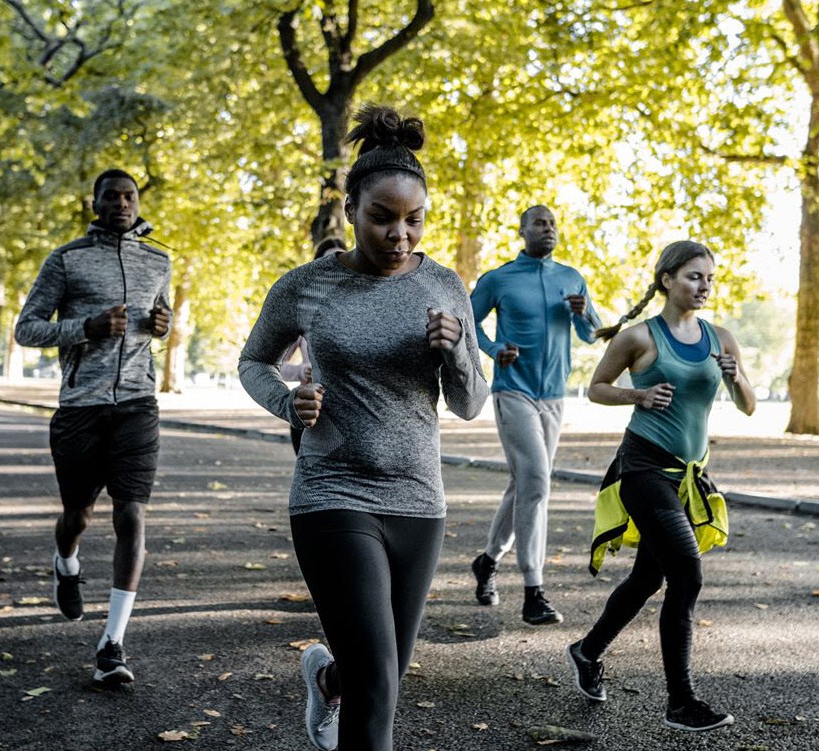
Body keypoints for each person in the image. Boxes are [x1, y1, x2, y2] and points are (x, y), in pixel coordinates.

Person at [238, 104, 488, 751]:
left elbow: (469, 402)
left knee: (381, 674)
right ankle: (342, 686)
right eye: (383, 217)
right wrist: (287, 403)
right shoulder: (306, 286)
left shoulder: (445, 286)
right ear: (350, 210)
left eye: (414, 219)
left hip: (418, 499)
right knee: (378, 686)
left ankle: (327, 681)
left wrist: (456, 348)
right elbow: (253, 360)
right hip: (331, 491)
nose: (400, 234)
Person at [564, 240, 755, 732]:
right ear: (667, 279)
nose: (704, 286)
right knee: (687, 574)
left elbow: (749, 404)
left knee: (649, 578)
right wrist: (639, 394)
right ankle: (681, 702)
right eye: (694, 276)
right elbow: (597, 387)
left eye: (710, 278)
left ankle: (587, 652)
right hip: (643, 468)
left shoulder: (721, 338)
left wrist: (737, 379)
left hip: (688, 477)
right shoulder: (638, 338)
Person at [15, 168, 173, 686]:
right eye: (112, 196)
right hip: (81, 406)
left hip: (137, 404)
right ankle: (66, 560)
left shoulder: (159, 259)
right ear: (96, 202)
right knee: (78, 514)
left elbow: (158, 323)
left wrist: (164, 327)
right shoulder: (67, 259)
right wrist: (87, 327)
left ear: (137, 202)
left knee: (131, 515)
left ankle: (112, 643)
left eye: (129, 196)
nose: (122, 203)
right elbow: (27, 327)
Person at [468, 205, 599, 625]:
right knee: (538, 483)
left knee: (524, 483)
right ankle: (534, 590)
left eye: (553, 223)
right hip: (514, 393)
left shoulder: (571, 278)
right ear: (522, 230)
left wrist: (585, 314)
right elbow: (468, 325)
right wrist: (493, 352)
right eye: (540, 223)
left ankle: (487, 563)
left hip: (555, 397)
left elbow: (592, 335)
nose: (548, 229)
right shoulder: (499, 279)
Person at [280, 241, 347, 454]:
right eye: (328, 261)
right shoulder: (303, 313)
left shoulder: (361, 313)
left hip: (348, 412)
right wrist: (301, 370)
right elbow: (275, 364)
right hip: (309, 412)